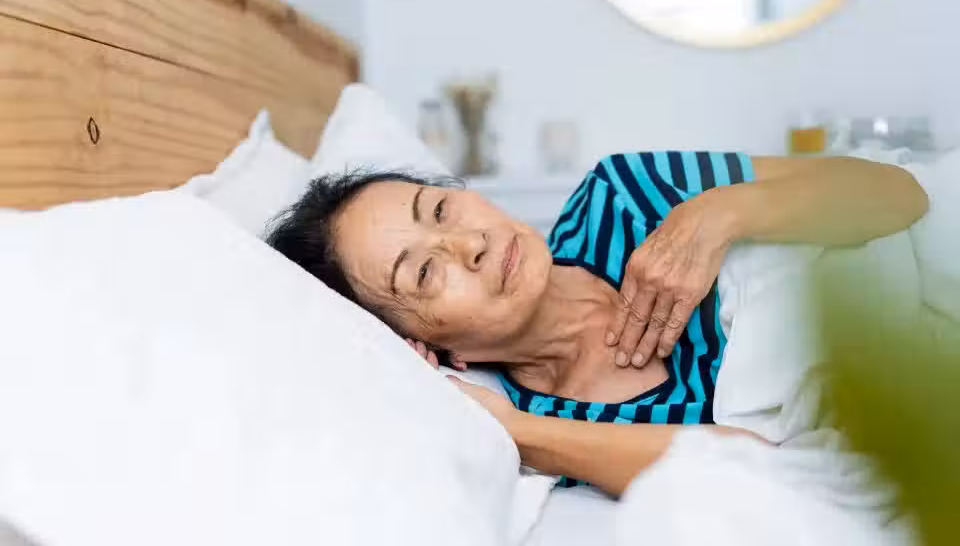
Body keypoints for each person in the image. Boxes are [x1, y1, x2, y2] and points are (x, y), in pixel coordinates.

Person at [267, 152, 928, 494]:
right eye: (423, 273)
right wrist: (522, 434)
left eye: (439, 209)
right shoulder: (561, 432)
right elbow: (767, 475)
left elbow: (899, 194)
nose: (468, 243)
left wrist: (723, 213)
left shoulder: (622, 195)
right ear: (425, 347)